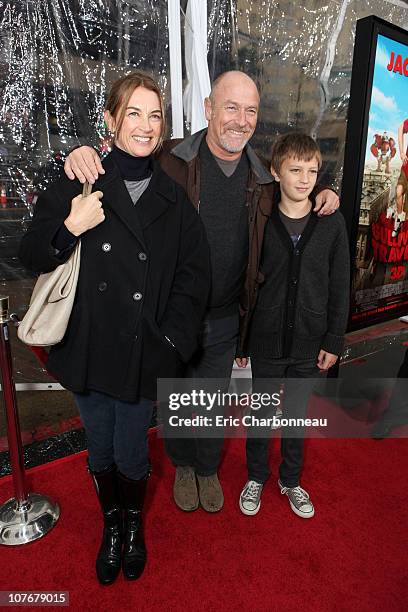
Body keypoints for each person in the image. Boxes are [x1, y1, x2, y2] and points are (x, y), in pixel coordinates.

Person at [63, 70, 340, 514]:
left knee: (210, 403)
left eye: (250, 110)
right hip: (169, 314)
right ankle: (183, 465)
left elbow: (296, 187)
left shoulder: (262, 176)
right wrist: (80, 153)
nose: (241, 119)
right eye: (231, 107)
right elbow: (121, 161)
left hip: (226, 316)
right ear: (209, 109)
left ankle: (207, 468)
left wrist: (326, 194)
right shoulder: (170, 159)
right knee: (176, 400)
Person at [19, 72, 210, 585]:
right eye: (133, 114)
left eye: (154, 115)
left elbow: (194, 283)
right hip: (86, 348)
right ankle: (112, 523)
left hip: (144, 353)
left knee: (131, 451)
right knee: (100, 447)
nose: (145, 127)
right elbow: (30, 252)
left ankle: (132, 525)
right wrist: (69, 228)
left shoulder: (175, 201)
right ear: (110, 120)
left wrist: (170, 344)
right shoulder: (79, 179)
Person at [236, 133, 350, 518]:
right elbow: (246, 280)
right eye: (295, 170)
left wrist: (334, 339)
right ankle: (255, 476)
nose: (304, 179)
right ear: (275, 172)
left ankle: (291, 480)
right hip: (266, 340)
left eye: (312, 171)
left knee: (297, 417)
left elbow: (339, 287)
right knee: (262, 415)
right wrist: (242, 342)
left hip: (310, 341)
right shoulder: (261, 219)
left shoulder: (332, 223)